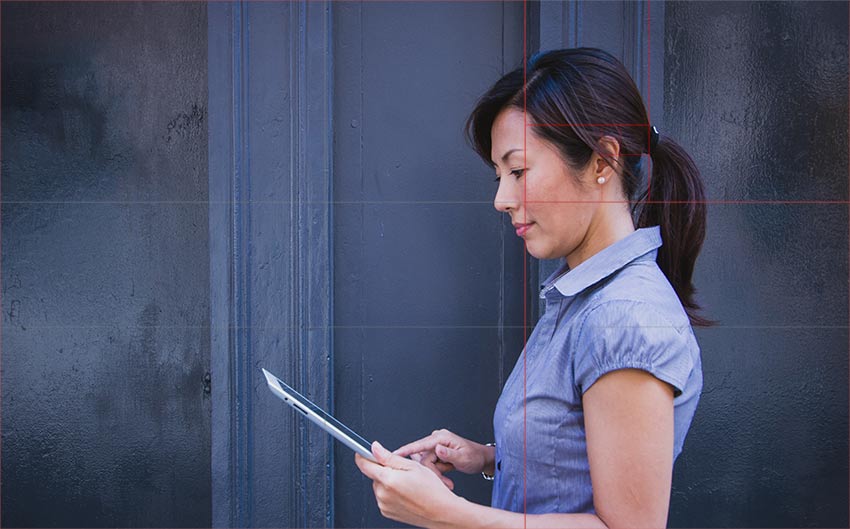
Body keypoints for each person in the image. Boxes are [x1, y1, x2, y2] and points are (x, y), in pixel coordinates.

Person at [355, 47, 709, 529]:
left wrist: (449, 514)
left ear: (603, 161)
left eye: (518, 171)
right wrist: (488, 457)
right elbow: (582, 455)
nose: (501, 199)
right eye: (500, 176)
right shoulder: (583, 299)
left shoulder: (623, 314)